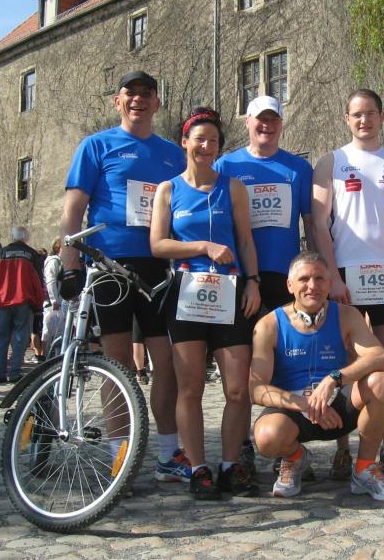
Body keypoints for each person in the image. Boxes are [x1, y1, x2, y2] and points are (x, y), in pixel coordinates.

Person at [60, 70, 190, 483]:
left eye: (146, 93)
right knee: (117, 366)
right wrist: (69, 263)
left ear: (157, 102)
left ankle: (168, 454)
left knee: (166, 363)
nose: (138, 100)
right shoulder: (96, 145)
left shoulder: (172, 154)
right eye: (129, 94)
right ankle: (120, 461)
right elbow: (73, 210)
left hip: (157, 267)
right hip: (110, 265)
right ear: (117, 101)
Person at [150, 106, 261, 499]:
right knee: (190, 387)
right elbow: (158, 244)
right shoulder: (168, 189)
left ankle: (230, 465)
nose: (207, 146)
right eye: (200, 139)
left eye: (213, 141)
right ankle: (198, 468)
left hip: (230, 292)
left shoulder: (233, 188)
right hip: (187, 294)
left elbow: (245, 240)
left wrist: (253, 282)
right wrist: (203, 246)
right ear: (185, 142)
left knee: (238, 389)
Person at [312, 88, 384, 478]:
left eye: (370, 113)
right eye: (357, 114)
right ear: (347, 118)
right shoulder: (331, 162)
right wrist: (332, 275)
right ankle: (343, 449)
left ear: (382, 116)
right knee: (344, 363)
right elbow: (319, 223)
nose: (364, 120)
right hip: (345, 277)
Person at [250, 251, 384, 501]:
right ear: (290, 285)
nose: (312, 286)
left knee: (383, 382)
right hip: (295, 409)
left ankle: (364, 469)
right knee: (267, 437)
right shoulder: (269, 325)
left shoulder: (347, 315)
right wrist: (304, 404)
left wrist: (334, 378)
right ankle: (295, 459)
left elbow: (379, 358)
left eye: (319, 279)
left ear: (330, 283)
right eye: (304, 279)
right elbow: (256, 389)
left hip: (337, 407)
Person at [215, 95, 313, 312]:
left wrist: (316, 268)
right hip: (237, 271)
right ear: (248, 121)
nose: (267, 125)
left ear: (281, 124)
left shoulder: (300, 168)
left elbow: (310, 223)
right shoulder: (225, 166)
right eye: (261, 119)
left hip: (285, 273)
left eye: (274, 119)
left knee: (281, 334)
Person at [0, 227, 43, 383]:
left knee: (1, 338)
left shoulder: (0, 253)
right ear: (26, 238)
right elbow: (37, 283)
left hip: (2, 301)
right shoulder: (32, 255)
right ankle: (14, 373)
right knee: (20, 339)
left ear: (12, 236)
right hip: (24, 301)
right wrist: (38, 305)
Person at [42, 238, 64, 358]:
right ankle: (47, 358)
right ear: (58, 248)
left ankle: (56, 357)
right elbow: (50, 280)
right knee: (49, 332)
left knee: (59, 332)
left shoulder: (60, 261)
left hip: (59, 302)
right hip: (53, 304)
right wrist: (54, 299)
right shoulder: (54, 262)